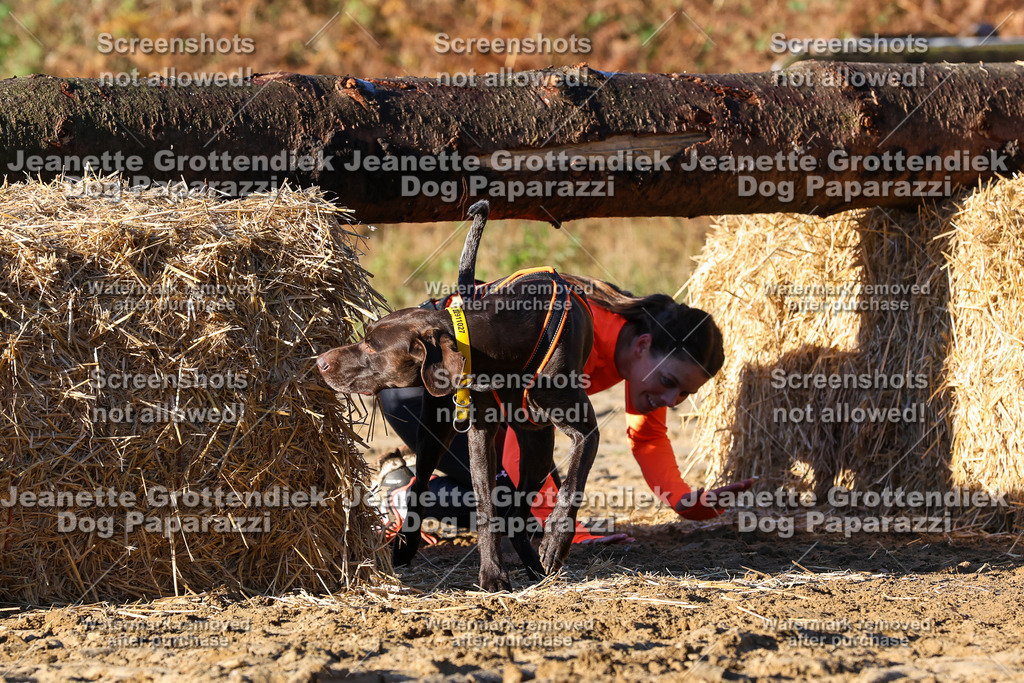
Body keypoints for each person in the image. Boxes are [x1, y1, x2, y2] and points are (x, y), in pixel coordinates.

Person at [376, 273, 752, 544]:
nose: (671, 401)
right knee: (513, 504)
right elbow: (518, 422)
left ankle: (410, 482)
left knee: (517, 496)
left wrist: (687, 503)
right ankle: (403, 497)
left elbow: (648, 435)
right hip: (420, 385)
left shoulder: (641, 362)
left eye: (684, 394)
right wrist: (560, 525)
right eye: (670, 384)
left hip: (468, 397)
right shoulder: (580, 326)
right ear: (643, 346)